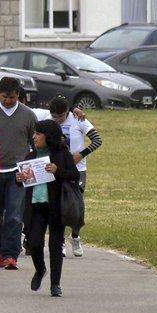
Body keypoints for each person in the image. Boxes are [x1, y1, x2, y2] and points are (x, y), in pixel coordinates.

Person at [0, 77, 37, 271]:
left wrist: (31, 167)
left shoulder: (28, 115)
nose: (8, 101)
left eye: (12, 97)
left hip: (17, 172)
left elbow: (35, 142)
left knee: (14, 214)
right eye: (4, 97)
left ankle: (11, 254)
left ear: (18, 95)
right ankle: (0, 251)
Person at [18, 119, 80, 297]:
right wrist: (19, 178)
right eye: (34, 133)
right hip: (36, 207)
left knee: (55, 245)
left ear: (49, 136)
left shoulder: (62, 154)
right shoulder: (31, 156)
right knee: (34, 243)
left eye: (38, 134)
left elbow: (74, 175)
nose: (34, 137)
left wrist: (57, 170)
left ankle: (55, 284)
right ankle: (40, 269)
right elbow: (22, 182)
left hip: (57, 206)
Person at [40, 96, 102, 257]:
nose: (58, 120)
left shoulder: (77, 119)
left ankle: (75, 236)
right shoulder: (47, 120)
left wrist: (81, 155)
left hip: (77, 169)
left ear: (67, 112)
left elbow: (97, 140)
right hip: (55, 169)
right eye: (55, 117)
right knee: (57, 205)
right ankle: (59, 242)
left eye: (61, 116)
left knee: (76, 205)